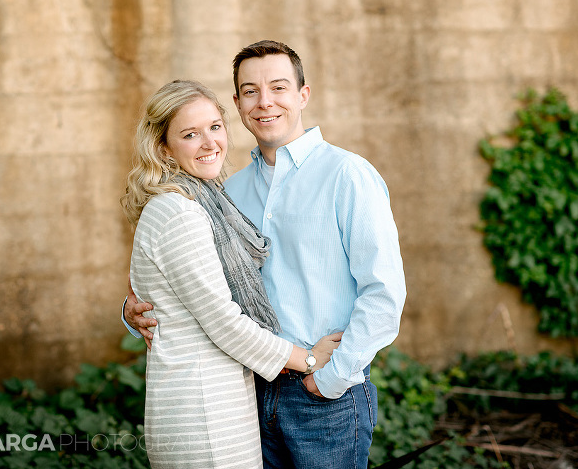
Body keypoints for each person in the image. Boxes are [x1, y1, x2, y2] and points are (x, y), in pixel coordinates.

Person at [125, 41, 407, 468]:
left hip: (322, 397)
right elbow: (195, 287)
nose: (265, 102)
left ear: (302, 95)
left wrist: (329, 378)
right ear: (237, 104)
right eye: (251, 91)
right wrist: (136, 311)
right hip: (248, 393)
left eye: (278, 87)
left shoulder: (347, 175)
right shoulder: (225, 192)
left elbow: (384, 293)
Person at [121, 79, 342, 469]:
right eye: (190, 134)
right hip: (205, 413)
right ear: (163, 148)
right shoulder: (180, 212)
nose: (210, 144)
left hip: (216, 403)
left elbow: (175, 297)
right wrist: (308, 360)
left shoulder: (209, 200)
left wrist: (130, 310)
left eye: (214, 127)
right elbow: (224, 322)